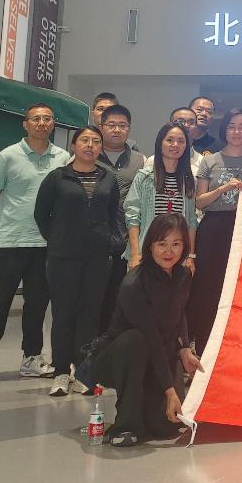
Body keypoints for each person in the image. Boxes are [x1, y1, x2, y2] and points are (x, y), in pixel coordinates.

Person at [0, 104, 69, 387]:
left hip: (46, 243)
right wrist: (8, 220)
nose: (42, 123)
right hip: (12, 241)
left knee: (37, 304)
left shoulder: (63, 157)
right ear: (25, 124)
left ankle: (31, 357)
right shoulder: (7, 156)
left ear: (53, 124)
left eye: (47, 119)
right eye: (36, 119)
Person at [95, 213, 202, 447]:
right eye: (162, 244)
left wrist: (185, 349)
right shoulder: (134, 283)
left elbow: (179, 314)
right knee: (135, 340)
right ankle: (125, 424)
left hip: (158, 353)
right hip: (119, 357)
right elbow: (151, 337)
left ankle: (146, 411)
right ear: (150, 245)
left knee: (165, 426)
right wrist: (171, 392)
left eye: (176, 244)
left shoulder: (183, 275)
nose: (169, 251)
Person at [34, 125, 123, 396]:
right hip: (63, 257)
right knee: (63, 314)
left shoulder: (108, 179)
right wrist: (58, 239)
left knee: (90, 315)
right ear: (74, 146)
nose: (90, 145)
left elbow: (114, 214)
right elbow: (41, 214)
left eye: (96, 141)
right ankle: (61, 371)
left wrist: (111, 242)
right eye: (84, 140)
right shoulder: (58, 177)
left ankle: (84, 372)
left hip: (98, 258)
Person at [190, 108, 242, 352]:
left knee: (238, 287)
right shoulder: (209, 160)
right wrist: (222, 189)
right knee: (208, 287)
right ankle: (204, 346)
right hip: (212, 228)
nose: (237, 131)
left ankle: (236, 347)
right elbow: (199, 202)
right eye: (232, 126)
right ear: (224, 130)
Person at [96, 104, 144, 333]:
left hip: (127, 241)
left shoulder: (140, 160)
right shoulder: (89, 154)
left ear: (129, 129)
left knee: (122, 299)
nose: (117, 130)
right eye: (111, 125)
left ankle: (115, 346)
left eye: (122, 125)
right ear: (101, 126)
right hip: (95, 240)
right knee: (93, 299)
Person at [126, 123, 197, 270]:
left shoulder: (189, 181)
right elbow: (132, 216)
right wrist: (135, 254)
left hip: (177, 255)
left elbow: (191, 221)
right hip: (146, 252)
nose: (175, 145)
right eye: (170, 140)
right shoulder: (144, 177)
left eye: (181, 141)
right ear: (160, 143)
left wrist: (190, 256)